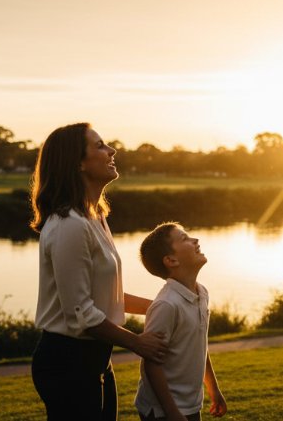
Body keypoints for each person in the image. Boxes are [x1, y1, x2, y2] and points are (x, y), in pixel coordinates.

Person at [30, 123, 169, 421]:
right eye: (100, 145)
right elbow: (81, 312)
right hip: (67, 363)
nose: (112, 150)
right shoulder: (70, 225)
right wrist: (137, 342)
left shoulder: (96, 217)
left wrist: (162, 307)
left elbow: (107, 297)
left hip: (96, 358)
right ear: (78, 162)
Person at [134, 223, 227, 421]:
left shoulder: (201, 293)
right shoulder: (167, 305)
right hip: (163, 410)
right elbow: (151, 364)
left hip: (190, 403)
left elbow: (198, 344)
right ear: (171, 260)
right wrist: (172, 412)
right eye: (184, 239)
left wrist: (213, 388)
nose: (196, 240)